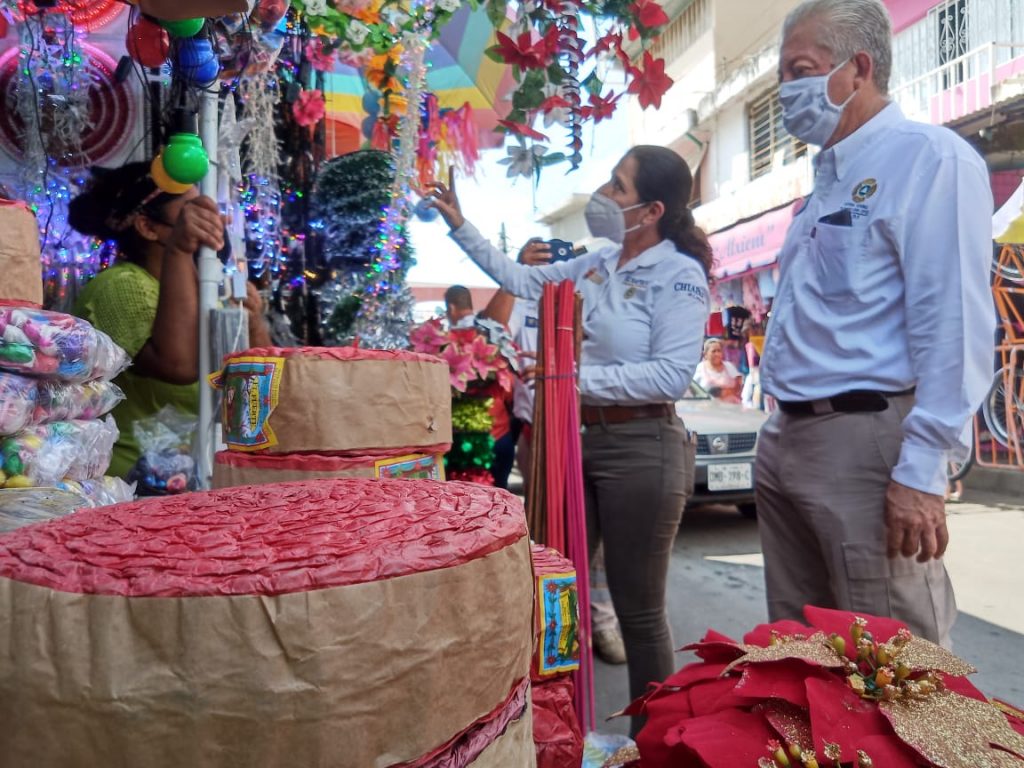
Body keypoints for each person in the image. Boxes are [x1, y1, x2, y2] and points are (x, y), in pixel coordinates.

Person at [430, 145, 710, 733]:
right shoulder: (598, 261)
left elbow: (671, 375)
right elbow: (518, 279)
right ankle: (563, 733)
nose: (605, 195)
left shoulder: (680, 274)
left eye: (618, 186)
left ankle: (650, 744)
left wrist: (574, 378)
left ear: (652, 209)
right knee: (559, 592)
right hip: (571, 440)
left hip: (642, 447)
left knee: (638, 610)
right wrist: (460, 224)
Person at [756, 0, 995, 647]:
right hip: (789, 439)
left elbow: (956, 322)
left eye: (800, 69)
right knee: (804, 660)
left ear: (858, 68)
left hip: (865, 441)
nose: (787, 92)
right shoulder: (823, 187)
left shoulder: (927, 159)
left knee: (893, 665)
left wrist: (923, 470)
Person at [69, 161, 269, 479]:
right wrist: (178, 249)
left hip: (193, 477)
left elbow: (261, 385)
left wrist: (254, 321)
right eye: (191, 209)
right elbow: (178, 366)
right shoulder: (121, 285)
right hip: (131, 485)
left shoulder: (206, 294)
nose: (209, 218)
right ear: (148, 227)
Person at [482, 244, 628, 666]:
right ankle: (554, 623)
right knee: (546, 531)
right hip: (538, 430)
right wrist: (516, 273)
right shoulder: (524, 295)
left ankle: (599, 621)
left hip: (594, 428)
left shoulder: (597, 297)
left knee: (594, 537)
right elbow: (487, 333)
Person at [693, 338, 743, 403]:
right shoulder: (700, 368)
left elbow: (739, 385)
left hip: (730, 407)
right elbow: (693, 389)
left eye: (719, 351)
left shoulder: (729, 366)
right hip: (706, 407)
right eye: (713, 351)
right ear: (705, 354)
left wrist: (727, 391)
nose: (717, 354)